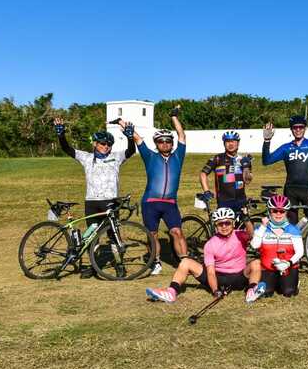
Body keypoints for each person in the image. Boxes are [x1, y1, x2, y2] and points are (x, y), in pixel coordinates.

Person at [52, 117, 136, 278]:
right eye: (102, 143)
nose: (106, 147)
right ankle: (93, 265)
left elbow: (130, 151)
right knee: (92, 237)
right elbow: (67, 149)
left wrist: (130, 137)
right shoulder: (86, 157)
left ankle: (119, 265)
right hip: (91, 202)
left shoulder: (117, 157)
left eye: (109, 144)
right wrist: (61, 135)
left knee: (113, 235)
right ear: (95, 144)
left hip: (110, 201)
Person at [145, 207, 261, 304]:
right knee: (186, 262)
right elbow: (210, 272)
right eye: (220, 224)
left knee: (256, 263)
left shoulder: (240, 235)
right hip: (218, 277)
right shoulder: (210, 244)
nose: (224, 226)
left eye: (227, 223)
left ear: (233, 223)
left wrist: (246, 218)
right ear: (216, 225)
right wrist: (215, 291)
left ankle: (251, 291)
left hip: (239, 277)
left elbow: (251, 234)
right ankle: (171, 292)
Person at [131, 106, 188, 275]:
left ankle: (185, 261)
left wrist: (174, 117)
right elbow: (138, 139)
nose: (165, 143)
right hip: (150, 202)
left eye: (168, 141)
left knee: (177, 232)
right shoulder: (150, 156)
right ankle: (155, 262)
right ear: (156, 144)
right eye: (161, 141)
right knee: (152, 234)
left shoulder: (178, 156)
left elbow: (182, 136)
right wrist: (123, 125)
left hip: (170, 203)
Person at [262, 116, 308, 224]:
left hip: (307, 188)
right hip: (290, 189)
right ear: (291, 129)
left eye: (301, 127)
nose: (298, 130)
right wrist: (267, 141)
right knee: (291, 222)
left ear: (305, 128)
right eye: (295, 127)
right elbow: (266, 161)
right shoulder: (286, 148)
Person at [247, 194, 303, 301]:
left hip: (288, 267)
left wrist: (288, 263)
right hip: (268, 267)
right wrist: (263, 227)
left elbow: (300, 252)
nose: (278, 214)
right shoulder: (262, 228)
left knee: (288, 292)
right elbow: (254, 245)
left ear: (286, 212)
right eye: (274, 211)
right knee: (266, 293)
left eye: (282, 211)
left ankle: (291, 282)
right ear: (269, 211)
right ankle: (276, 282)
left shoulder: (293, 229)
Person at [199, 130, 253, 215]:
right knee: (224, 227)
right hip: (224, 201)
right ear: (224, 143)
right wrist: (206, 191)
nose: (230, 144)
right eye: (227, 142)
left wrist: (246, 167)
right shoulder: (217, 159)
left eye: (233, 141)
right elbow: (203, 174)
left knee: (244, 226)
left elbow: (247, 181)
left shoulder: (243, 159)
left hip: (241, 200)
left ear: (238, 143)